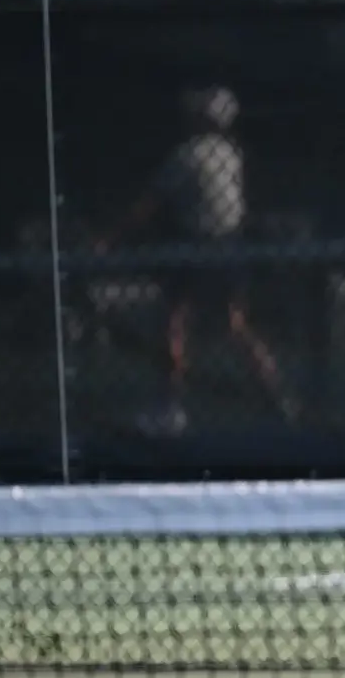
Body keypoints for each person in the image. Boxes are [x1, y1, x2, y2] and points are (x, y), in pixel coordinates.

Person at [123, 86, 298, 437]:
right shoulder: (230, 153)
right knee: (234, 324)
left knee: (174, 321)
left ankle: (169, 409)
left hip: (199, 245)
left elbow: (150, 202)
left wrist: (111, 238)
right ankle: (277, 397)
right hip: (229, 246)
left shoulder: (190, 154)